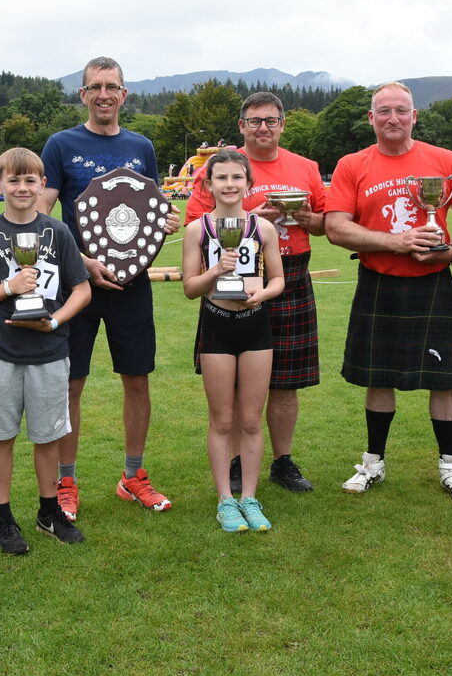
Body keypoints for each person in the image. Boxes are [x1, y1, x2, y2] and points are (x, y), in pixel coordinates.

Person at [323, 82, 452, 503]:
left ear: (414, 116)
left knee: (443, 380)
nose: (392, 118)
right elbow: (336, 226)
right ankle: (372, 462)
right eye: (383, 111)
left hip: (433, 282)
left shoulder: (445, 160)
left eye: (401, 111)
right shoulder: (352, 164)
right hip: (379, 281)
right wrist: (396, 242)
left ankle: (451, 466)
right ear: (371, 118)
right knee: (378, 376)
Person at [39, 57, 180, 520]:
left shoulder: (142, 146)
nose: (104, 94)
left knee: (136, 379)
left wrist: (165, 224)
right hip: (76, 283)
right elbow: (42, 220)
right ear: (82, 94)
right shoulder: (60, 145)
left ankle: (132, 477)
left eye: (112, 87)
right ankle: (66, 481)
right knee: (71, 382)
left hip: (130, 285)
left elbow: (148, 212)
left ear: (124, 94)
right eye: (95, 86)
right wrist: (80, 261)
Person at [183, 92, 326, 493]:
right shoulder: (216, 168)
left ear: (282, 123)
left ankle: (282, 461)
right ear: (242, 125)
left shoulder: (306, 167)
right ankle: (232, 466)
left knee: (286, 381)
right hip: (225, 284)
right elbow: (198, 224)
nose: (263, 127)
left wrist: (304, 217)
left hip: (289, 274)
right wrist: (246, 222)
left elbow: (325, 223)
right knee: (228, 386)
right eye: (255, 120)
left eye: (271, 120)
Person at [0, 148, 92, 554]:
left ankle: (49, 511)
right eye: (13, 180)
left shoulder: (58, 232)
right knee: (3, 437)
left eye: (30, 180)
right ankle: (2, 516)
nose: (21, 187)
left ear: (42, 184)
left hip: (50, 351)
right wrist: (7, 289)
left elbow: (81, 289)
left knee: (48, 437)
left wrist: (54, 321)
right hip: (1, 353)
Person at [182, 150, 286, 532]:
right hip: (217, 327)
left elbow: (278, 279)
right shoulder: (198, 229)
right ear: (208, 185)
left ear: (249, 184)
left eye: (236, 178)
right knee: (222, 420)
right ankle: (226, 499)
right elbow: (190, 288)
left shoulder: (263, 228)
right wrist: (216, 271)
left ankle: (250, 498)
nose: (229, 184)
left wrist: (262, 295)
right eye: (221, 178)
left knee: (250, 419)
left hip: (255, 326)